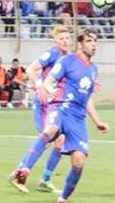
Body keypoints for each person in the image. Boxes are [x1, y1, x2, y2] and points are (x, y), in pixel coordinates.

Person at [11, 29, 109, 203]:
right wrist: (46, 89)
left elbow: (88, 98)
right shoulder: (66, 60)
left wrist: (97, 121)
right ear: (80, 44)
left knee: (79, 161)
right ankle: (24, 169)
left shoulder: (93, 70)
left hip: (78, 118)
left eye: (95, 41)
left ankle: (62, 199)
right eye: (89, 41)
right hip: (61, 107)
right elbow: (49, 80)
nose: (93, 44)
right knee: (50, 131)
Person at [10, 26, 71, 193]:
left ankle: (44, 179)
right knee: (48, 139)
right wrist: (39, 86)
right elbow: (30, 69)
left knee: (59, 140)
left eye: (67, 38)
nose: (65, 41)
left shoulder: (70, 58)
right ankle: (21, 172)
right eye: (62, 38)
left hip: (56, 104)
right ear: (56, 41)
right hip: (44, 104)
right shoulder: (52, 54)